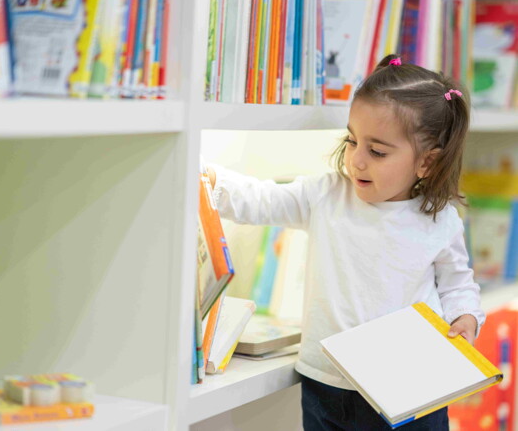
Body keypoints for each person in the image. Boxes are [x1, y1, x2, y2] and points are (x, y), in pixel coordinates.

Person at [205, 54, 484, 430]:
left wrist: (465, 317)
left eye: (378, 151)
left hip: (411, 389)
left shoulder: (439, 219)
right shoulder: (326, 195)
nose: (357, 160)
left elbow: (457, 284)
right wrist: (208, 180)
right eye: (352, 141)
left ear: (427, 163)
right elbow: (260, 200)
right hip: (327, 383)